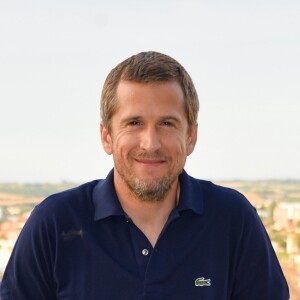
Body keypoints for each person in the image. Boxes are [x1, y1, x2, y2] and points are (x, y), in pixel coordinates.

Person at [0, 51, 289, 299]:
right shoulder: (53, 223)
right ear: (107, 136)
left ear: (191, 137)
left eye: (166, 123)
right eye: (134, 122)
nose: (150, 143)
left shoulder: (233, 219)